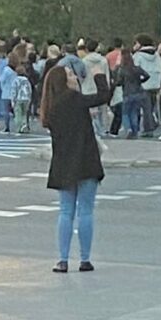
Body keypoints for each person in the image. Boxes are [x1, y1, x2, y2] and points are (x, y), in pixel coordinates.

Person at [41, 63, 110, 273]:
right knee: (86, 211)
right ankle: (85, 259)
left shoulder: (50, 107)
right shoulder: (75, 99)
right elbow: (102, 96)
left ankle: (62, 259)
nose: (74, 77)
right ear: (64, 81)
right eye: (70, 75)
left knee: (65, 211)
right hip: (86, 160)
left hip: (63, 162)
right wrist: (99, 76)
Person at [10, 62, 33, 133]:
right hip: (26, 98)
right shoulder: (26, 80)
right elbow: (29, 90)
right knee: (24, 113)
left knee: (18, 113)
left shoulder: (16, 80)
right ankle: (24, 125)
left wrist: (12, 100)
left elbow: (14, 91)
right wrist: (29, 98)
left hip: (18, 99)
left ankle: (19, 127)